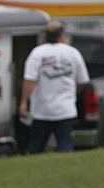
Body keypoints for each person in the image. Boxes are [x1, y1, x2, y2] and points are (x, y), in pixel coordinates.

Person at [18, 21, 89, 154]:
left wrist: (23, 103)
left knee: (36, 148)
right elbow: (81, 81)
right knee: (65, 146)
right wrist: (72, 93)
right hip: (65, 110)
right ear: (62, 35)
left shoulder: (37, 53)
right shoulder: (73, 53)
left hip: (41, 110)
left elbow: (29, 80)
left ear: (46, 36)